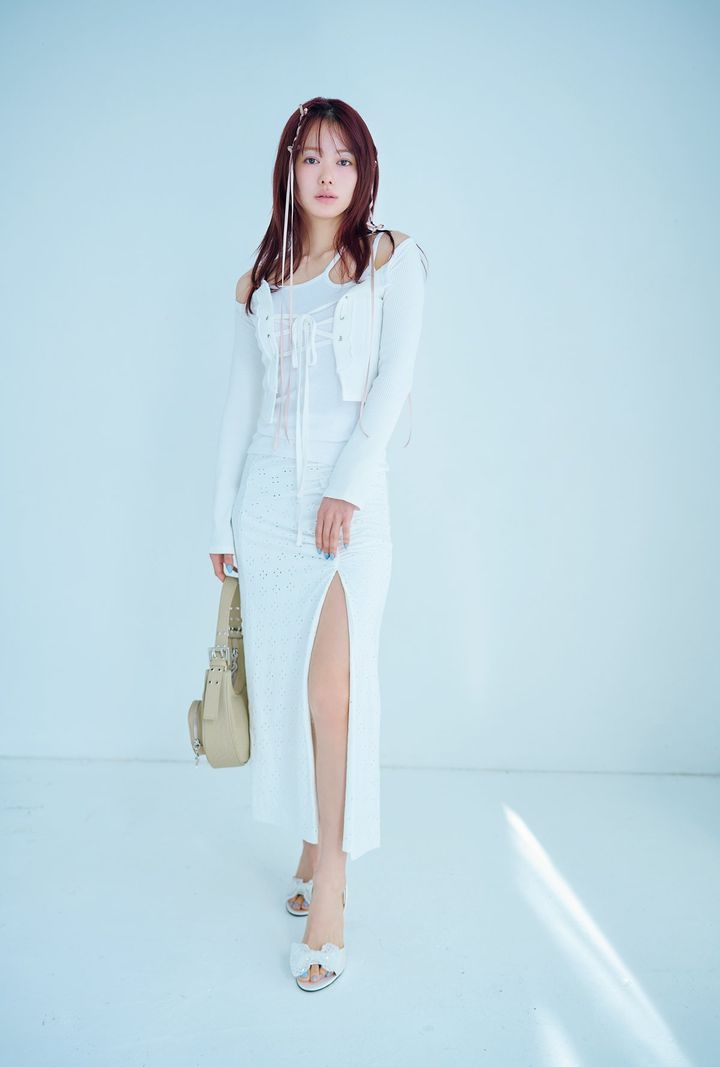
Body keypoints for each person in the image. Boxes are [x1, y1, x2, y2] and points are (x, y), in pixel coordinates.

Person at [208, 97, 428, 991]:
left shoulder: (390, 261)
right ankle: (310, 839)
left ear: (364, 170)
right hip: (265, 508)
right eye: (310, 158)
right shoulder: (261, 282)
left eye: (343, 158)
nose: (327, 174)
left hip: (347, 508)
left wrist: (346, 486)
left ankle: (331, 883)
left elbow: (395, 381)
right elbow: (241, 406)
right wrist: (217, 519)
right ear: (289, 171)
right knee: (292, 689)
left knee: (333, 691)